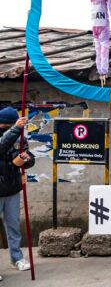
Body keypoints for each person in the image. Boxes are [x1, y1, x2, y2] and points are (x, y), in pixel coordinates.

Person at [0, 107, 35, 273]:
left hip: (12, 189)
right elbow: (1, 146)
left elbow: (28, 156)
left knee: (13, 226)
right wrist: (15, 129)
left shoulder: (19, 137)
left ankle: (17, 258)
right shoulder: (11, 133)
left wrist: (26, 159)